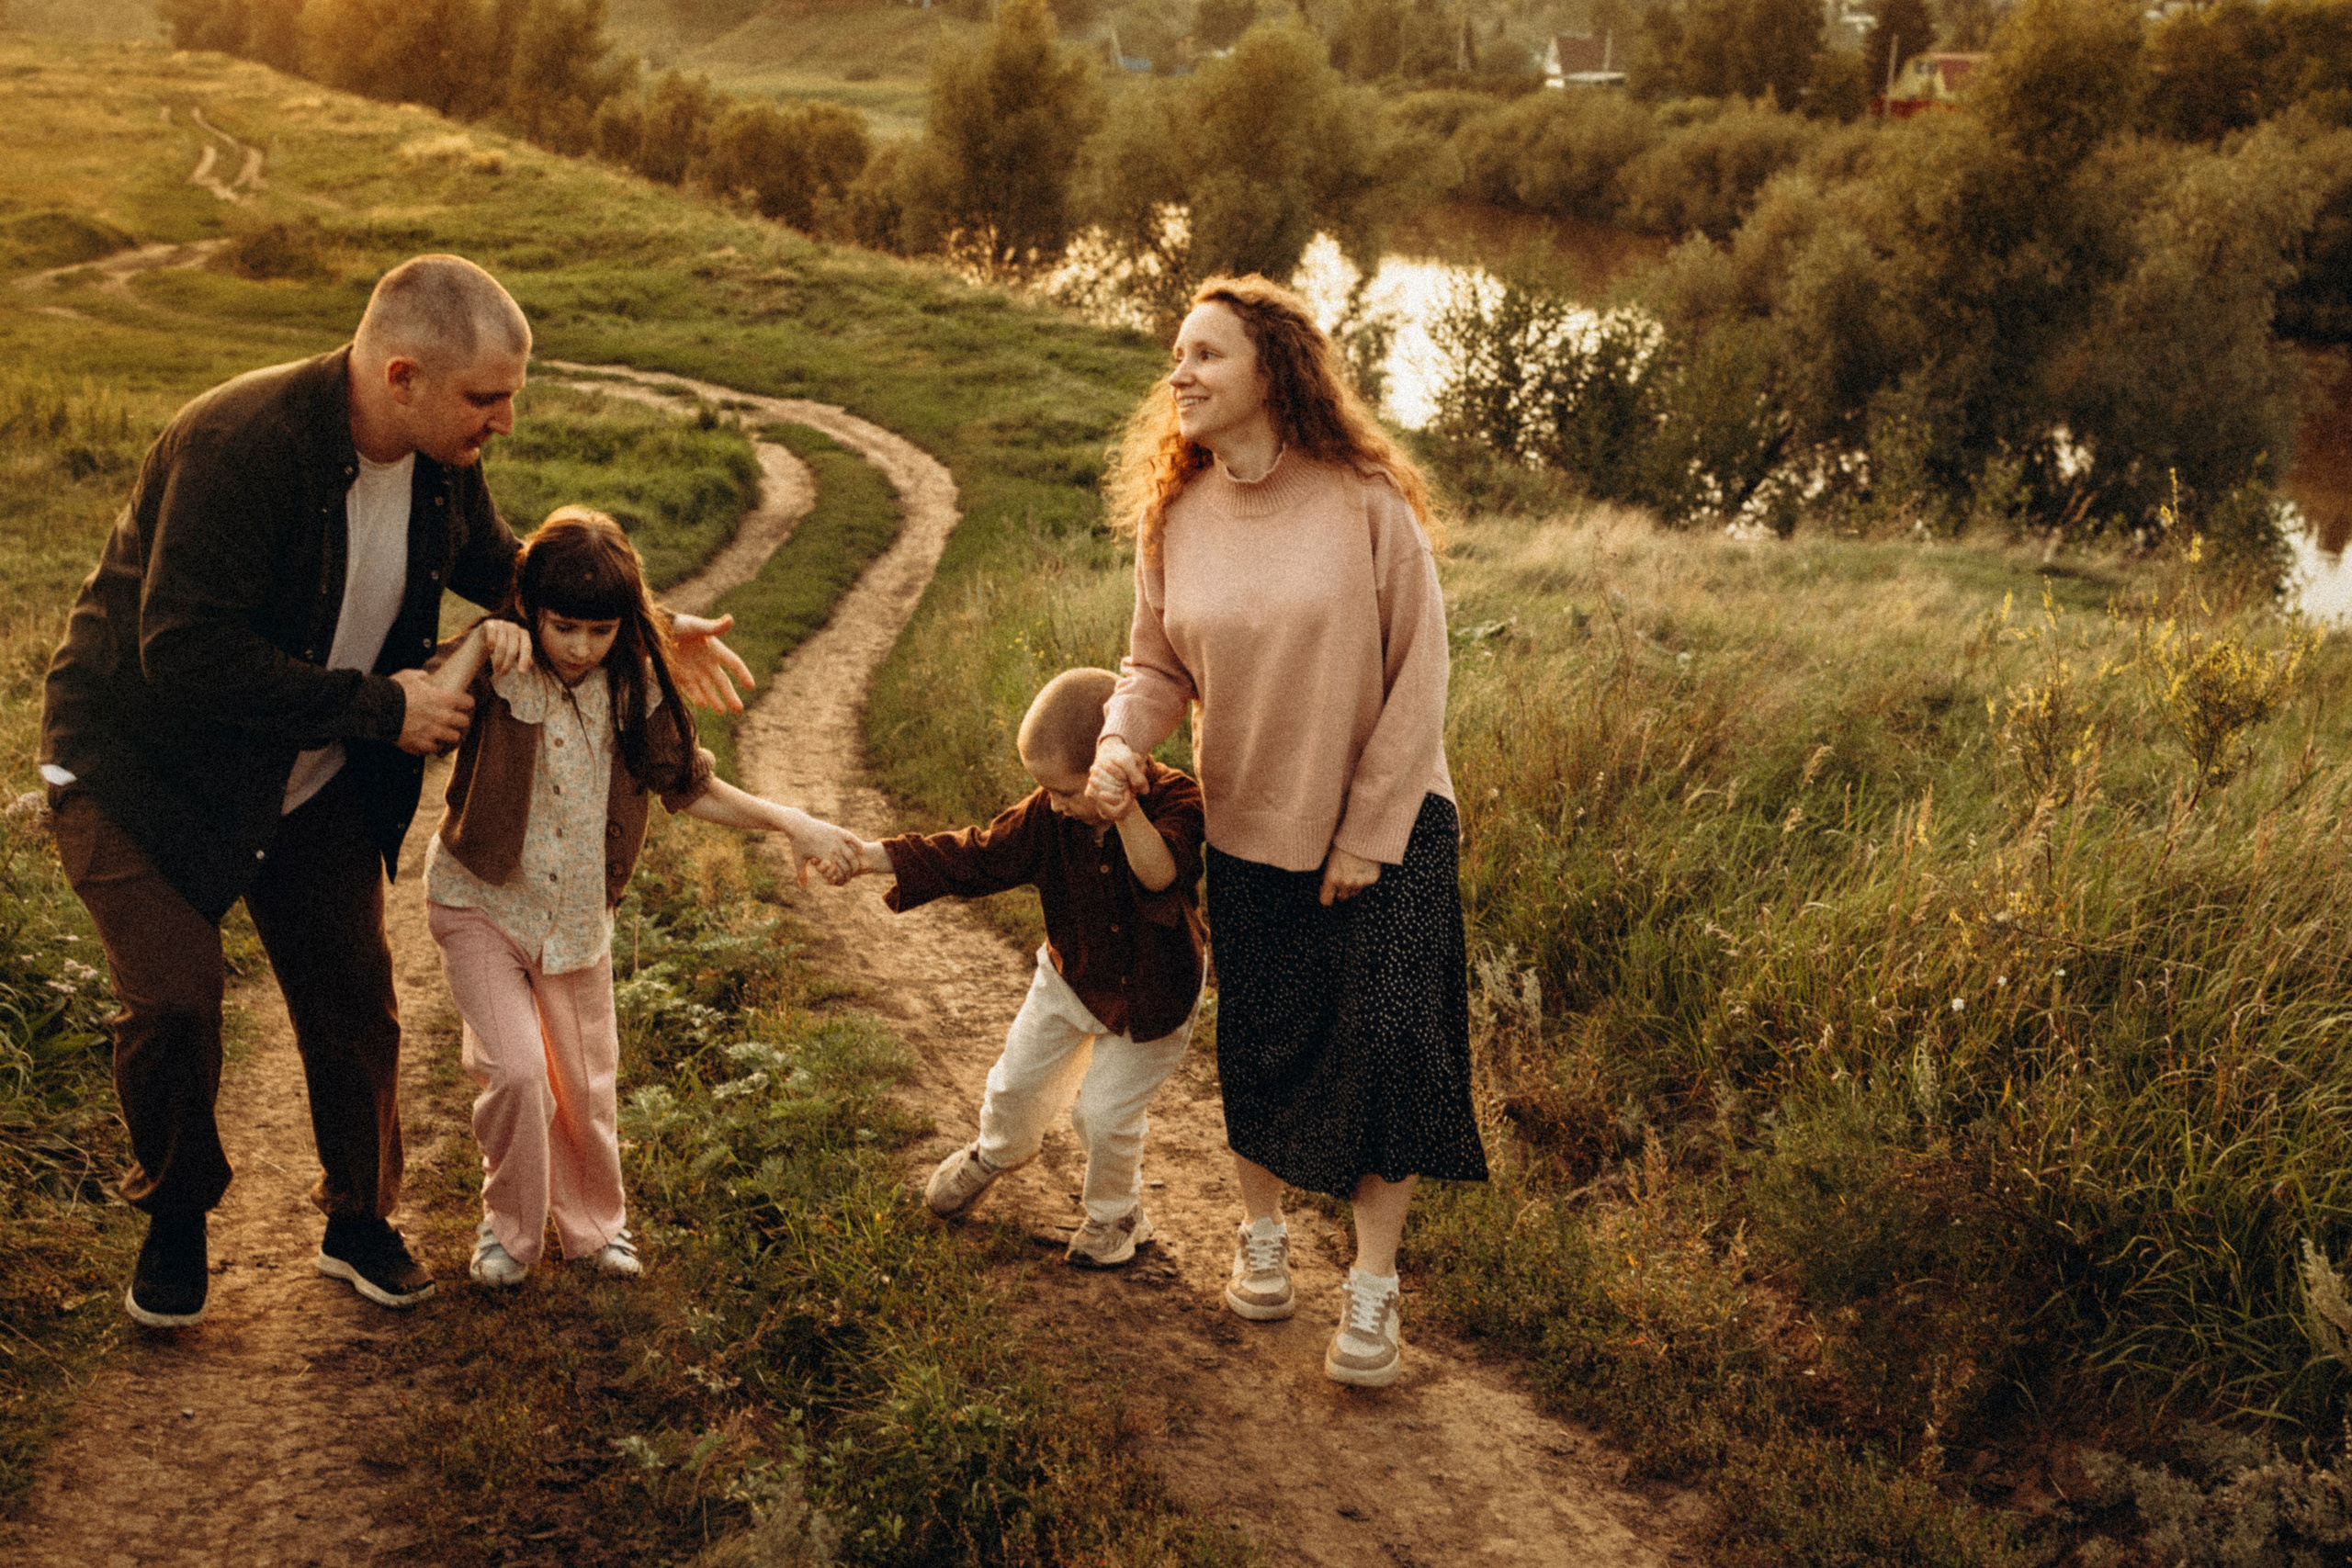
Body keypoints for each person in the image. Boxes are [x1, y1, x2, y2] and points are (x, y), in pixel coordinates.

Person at [38, 254, 755, 1327]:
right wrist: (386, 712)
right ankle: (176, 1221)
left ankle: (357, 1221)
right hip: (141, 773)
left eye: (511, 395)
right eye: (487, 398)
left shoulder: (437, 458)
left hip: (312, 772)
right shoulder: (239, 448)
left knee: (354, 1004)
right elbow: (179, 653)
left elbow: (500, 562)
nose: (505, 422)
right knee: (176, 1004)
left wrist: (646, 628)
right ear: (403, 374)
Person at [1087, 275, 1488, 1388]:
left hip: (1395, 826)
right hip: (1252, 825)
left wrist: (1367, 832)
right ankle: (1262, 1240)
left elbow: (1422, 673)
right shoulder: (1175, 514)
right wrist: (1123, 744)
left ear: (1273, 371)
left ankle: (1371, 1292)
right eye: (1176, 355)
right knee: (1263, 1046)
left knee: (1395, 1055)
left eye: (1205, 355)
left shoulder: (1363, 497)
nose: (1180, 375)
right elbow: (1154, 663)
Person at [427, 509, 862, 1288]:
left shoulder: (637, 682)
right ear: (529, 606)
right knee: (519, 1073)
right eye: (564, 627)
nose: (581, 648)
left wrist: (787, 820)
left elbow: (687, 787)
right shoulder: (503, 661)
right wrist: (475, 649)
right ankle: (509, 1231)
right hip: (480, 903)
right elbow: (421, 711)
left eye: (600, 631)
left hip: (575, 922)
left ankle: (595, 1231)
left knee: (586, 1083)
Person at [848, 668, 1206, 1268]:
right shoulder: (1049, 815)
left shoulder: (1178, 799)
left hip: (1155, 993)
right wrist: (873, 857)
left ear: (1114, 764)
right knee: (1015, 1083)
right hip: (1071, 979)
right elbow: (977, 854)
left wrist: (1124, 814)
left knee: (1105, 1114)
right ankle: (997, 1150)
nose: (1057, 806)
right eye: (1049, 793)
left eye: (1067, 792)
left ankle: (1116, 1217)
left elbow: (1162, 875)